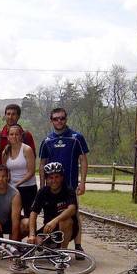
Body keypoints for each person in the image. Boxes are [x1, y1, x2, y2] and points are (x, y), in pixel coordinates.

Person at [38, 107, 89, 255]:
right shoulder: (47, 140)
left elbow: (83, 160)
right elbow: (42, 164)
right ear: (51, 120)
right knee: (51, 214)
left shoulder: (76, 137)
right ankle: (54, 243)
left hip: (70, 184)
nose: (59, 121)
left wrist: (83, 182)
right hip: (52, 185)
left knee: (74, 213)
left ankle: (78, 245)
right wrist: (42, 185)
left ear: (66, 119)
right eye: (56, 119)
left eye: (62, 118)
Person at [27, 162, 79, 249]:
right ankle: (51, 245)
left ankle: (63, 251)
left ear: (62, 177)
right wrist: (32, 234)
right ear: (46, 179)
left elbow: (72, 209)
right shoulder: (42, 192)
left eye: (56, 177)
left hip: (67, 228)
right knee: (36, 244)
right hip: (49, 228)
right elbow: (33, 213)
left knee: (65, 220)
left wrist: (55, 221)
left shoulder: (68, 190)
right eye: (50, 178)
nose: (54, 180)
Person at [2, 124, 37, 218]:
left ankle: (30, 233)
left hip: (28, 187)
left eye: (17, 134)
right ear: (8, 137)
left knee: (28, 217)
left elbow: (31, 172)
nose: (14, 136)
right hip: (12, 188)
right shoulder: (6, 152)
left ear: (21, 136)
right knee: (13, 216)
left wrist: (17, 184)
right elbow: (5, 170)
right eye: (11, 134)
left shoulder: (27, 149)